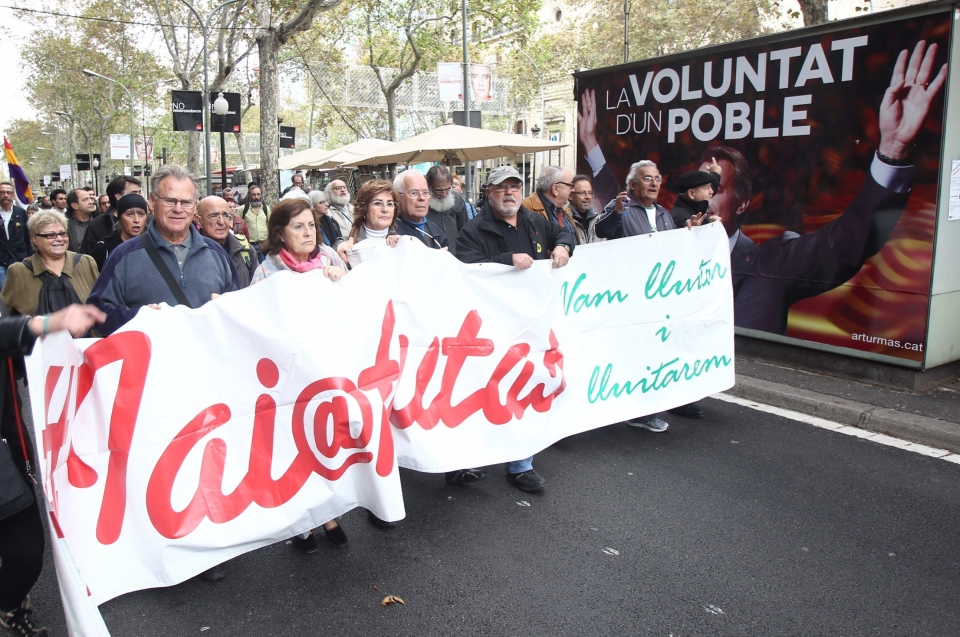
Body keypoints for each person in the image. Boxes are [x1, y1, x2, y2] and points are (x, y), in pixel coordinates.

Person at [455, 165, 574, 493]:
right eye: (501, 188)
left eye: (514, 187)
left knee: (524, 391)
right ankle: (471, 459)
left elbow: (562, 234)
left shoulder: (535, 222)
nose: (509, 193)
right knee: (485, 390)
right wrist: (506, 259)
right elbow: (465, 266)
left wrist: (563, 246)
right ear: (489, 193)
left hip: (529, 326)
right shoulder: (473, 229)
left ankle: (521, 464)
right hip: (491, 328)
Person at [0, 304, 105, 637]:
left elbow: (16, 357)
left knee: (26, 554)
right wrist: (41, 324)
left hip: (6, 456)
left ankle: (8, 605)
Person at [595, 160, 714, 430]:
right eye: (647, 178)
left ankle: (644, 410)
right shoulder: (622, 207)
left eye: (657, 179)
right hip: (629, 296)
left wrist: (689, 233)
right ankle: (626, 406)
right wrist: (615, 212)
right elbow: (601, 231)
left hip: (657, 298)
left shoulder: (663, 213)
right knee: (631, 352)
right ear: (632, 184)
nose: (654, 184)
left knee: (653, 353)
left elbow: (671, 251)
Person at [87, 165, 238, 337]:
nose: (178, 209)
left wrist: (227, 310)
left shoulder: (217, 254)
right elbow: (95, 312)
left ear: (194, 207)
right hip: (149, 361)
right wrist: (136, 318)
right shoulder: (124, 256)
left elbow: (238, 314)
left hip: (207, 361)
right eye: (170, 201)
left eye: (186, 202)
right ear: (152, 201)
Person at [1, 210, 100, 319]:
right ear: (35, 239)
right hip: (40, 336)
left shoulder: (85, 262)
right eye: (51, 235)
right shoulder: (19, 271)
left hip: (88, 336)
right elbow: (5, 315)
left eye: (62, 233)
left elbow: (101, 302)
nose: (59, 239)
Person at [196, 196, 257, 289]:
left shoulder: (245, 250)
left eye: (226, 215)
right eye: (214, 215)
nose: (221, 222)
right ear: (199, 221)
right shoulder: (188, 253)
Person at [79, 176, 142, 256]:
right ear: (118, 196)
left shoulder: (150, 221)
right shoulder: (97, 224)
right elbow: (87, 258)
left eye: (139, 192)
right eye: (133, 193)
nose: (138, 197)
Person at [521, 165, 580, 242]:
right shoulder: (527, 209)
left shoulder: (564, 211)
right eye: (571, 185)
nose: (573, 190)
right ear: (555, 189)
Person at [89, 194, 147, 272]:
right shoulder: (104, 248)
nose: (136, 220)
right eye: (129, 215)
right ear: (120, 217)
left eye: (141, 214)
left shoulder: (154, 244)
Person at [393, 170, 448, 249]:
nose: (422, 198)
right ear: (398, 197)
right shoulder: (391, 232)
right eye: (414, 193)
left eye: (425, 192)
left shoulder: (435, 230)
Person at [425, 165, 468, 255]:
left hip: (455, 256)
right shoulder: (422, 203)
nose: (444, 194)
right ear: (429, 187)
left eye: (448, 189)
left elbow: (464, 230)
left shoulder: (457, 199)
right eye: (439, 190)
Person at [0, 182, 31, 289]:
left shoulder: (21, 213)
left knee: (22, 290)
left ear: (13, 195)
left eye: (8, 192)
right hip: (1, 262)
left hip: (20, 259)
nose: (5, 195)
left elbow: (28, 237)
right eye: (2, 192)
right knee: (5, 293)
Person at [567, 174, 600, 244]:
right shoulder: (564, 220)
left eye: (590, 193)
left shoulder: (598, 219)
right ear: (570, 196)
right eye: (582, 193)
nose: (587, 197)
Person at [240, 184, 270, 251]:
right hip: (248, 245)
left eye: (258, 194)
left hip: (263, 244)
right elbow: (237, 224)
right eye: (253, 194)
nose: (256, 197)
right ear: (249, 196)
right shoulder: (243, 209)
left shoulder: (266, 209)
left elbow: (270, 224)